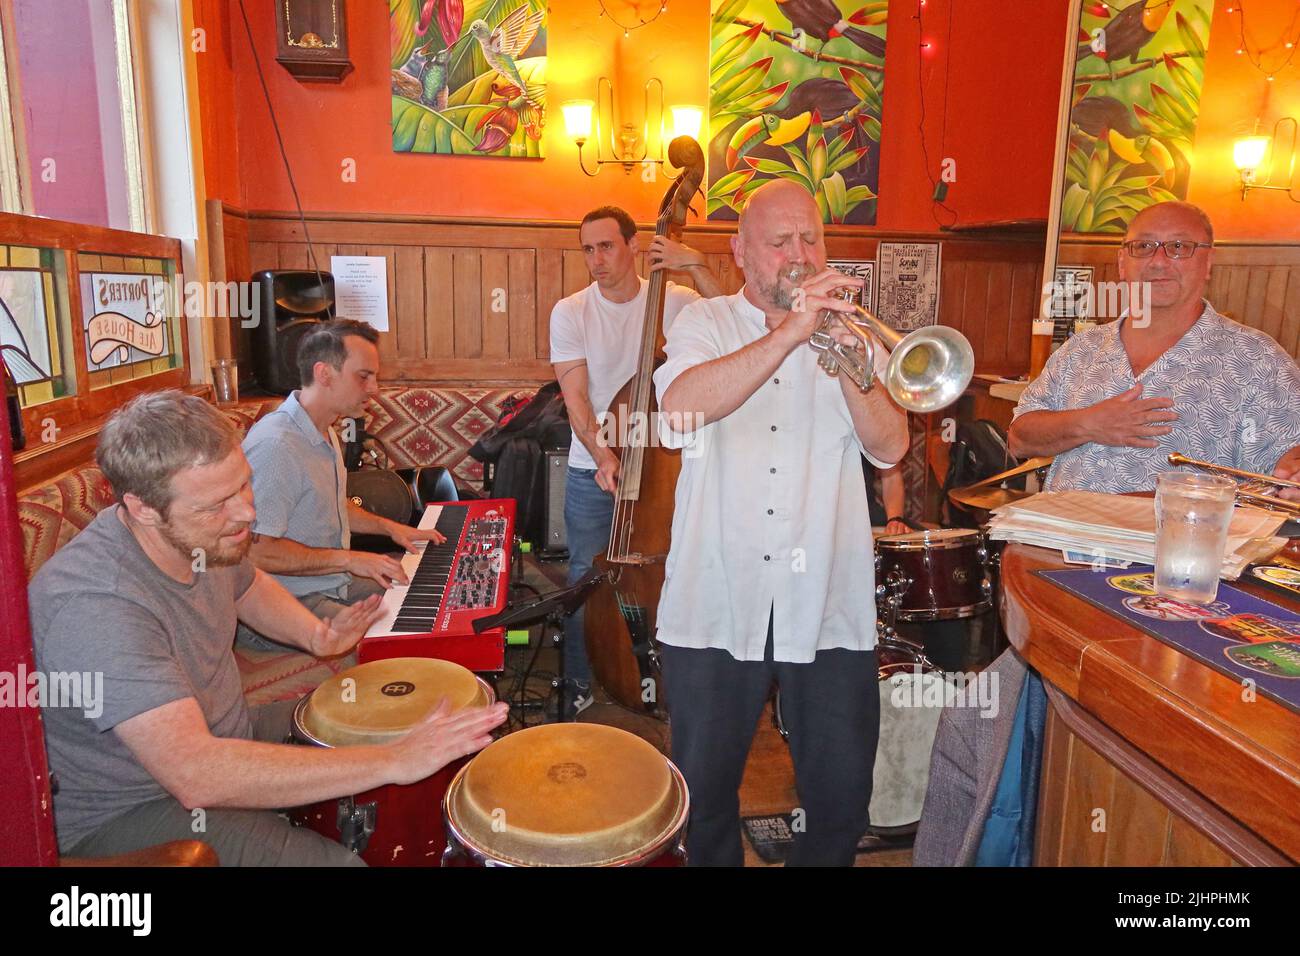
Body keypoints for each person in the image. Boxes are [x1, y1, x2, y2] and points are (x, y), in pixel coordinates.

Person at [27, 391, 507, 865]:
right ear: (143, 509)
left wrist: (314, 635)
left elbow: (246, 584)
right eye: (217, 503)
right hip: (133, 807)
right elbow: (196, 773)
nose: (246, 513)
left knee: (396, 715)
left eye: (244, 485)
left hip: (226, 730)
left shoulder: (205, 538)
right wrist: (395, 761)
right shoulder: (96, 606)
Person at [653, 180, 909, 865]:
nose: (799, 255)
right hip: (716, 600)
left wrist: (849, 359)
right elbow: (678, 410)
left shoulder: (855, 334)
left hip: (825, 601)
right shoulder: (703, 321)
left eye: (810, 239)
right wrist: (790, 334)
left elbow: (891, 448)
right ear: (739, 252)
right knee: (701, 798)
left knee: (840, 799)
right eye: (779, 242)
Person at [549, 205, 721, 719]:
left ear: (632, 247)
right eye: (587, 250)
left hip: (666, 466)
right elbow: (575, 397)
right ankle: (580, 684)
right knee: (586, 576)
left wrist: (694, 263)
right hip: (593, 464)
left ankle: (675, 684)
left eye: (606, 246)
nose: (596, 259)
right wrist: (603, 454)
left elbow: (739, 320)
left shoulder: (674, 301)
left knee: (676, 572)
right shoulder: (571, 311)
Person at [1008, 200, 1300, 492]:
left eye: (1179, 247)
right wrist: (1086, 423)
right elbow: (1020, 439)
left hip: (1179, 535)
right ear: (1123, 263)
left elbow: (1284, 470)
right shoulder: (1081, 349)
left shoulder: (1259, 360)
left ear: (1208, 262)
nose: (1158, 261)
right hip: (1058, 534)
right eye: (1143, 247)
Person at [236, 319, 444, 651]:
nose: (375, 389)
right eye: (364, 376)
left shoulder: (326, 429)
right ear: (324, 374)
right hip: (284, 604)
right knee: (404, 644)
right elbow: (255, 551)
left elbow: (329, 503)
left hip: (331, 585)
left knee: (429, 599)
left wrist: (391, 529)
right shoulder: (277, 446)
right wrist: (349, 559)